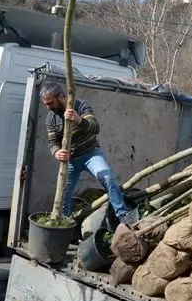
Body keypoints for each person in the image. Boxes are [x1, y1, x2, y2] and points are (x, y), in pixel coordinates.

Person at [40, 83, 136, 226]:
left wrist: (79, 119)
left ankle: (123, 214)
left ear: (61, 97)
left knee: (107, 178)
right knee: (63, 193)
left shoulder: (81, 106)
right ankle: (63, 222)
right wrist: (56, 152)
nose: (48, 107)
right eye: (46, 104)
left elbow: (95, 128)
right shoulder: (51, 118)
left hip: (90, 154)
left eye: (50, 103)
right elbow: (52, 142)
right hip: (70, 161)